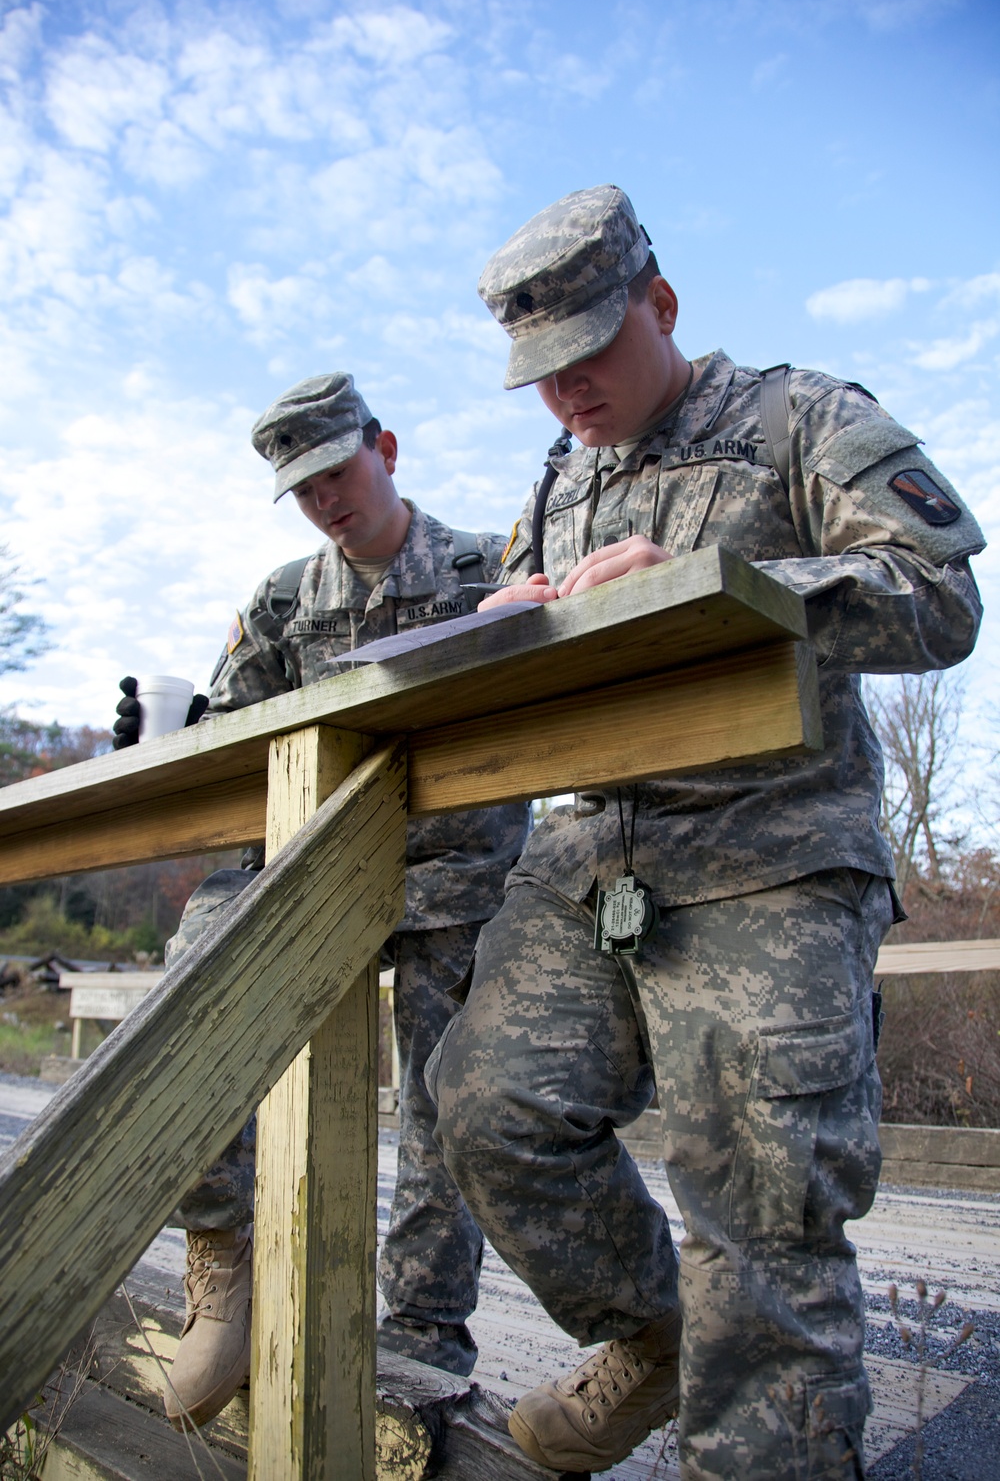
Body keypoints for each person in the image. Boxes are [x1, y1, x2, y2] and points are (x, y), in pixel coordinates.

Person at [427, 186, 985, 1479]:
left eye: (586, 360)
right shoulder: (561, 479)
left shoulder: (801, 417)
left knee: (759, 1208)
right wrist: (511, 621)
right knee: (488, 1106)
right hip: (587, 858)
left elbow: (940, 599)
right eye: (539, 379)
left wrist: (728, 590)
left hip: (767, 852)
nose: (566, 398)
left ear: (661, 308)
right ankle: (656, 1336)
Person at [115, 373, 529, 1430]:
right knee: (187, 996)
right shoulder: (283, 601)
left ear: (385, 447)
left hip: (451, 878)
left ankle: (423, 1336)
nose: (326, 503)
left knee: (442, 1102)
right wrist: (162, 742)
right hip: (304, 863)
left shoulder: (496, 565)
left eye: (338, 474)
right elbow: (226, 746)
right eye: (302, 490)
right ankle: (224, 1248)